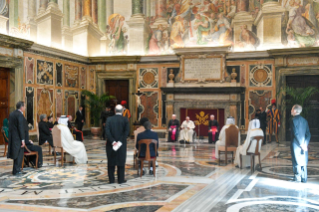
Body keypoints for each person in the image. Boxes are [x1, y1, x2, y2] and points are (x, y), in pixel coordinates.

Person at [105, 104, 130, 184]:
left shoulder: (109, 119)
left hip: (110, 144)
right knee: (121, 162)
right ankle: (121, 179)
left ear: (115, 111)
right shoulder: (125, 120)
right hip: (121, 145)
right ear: (122, 111)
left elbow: (107, 132)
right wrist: (120, 142)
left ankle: (111, 180)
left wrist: (113, 142)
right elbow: (126, 132)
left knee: (111, 162)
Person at [290, 104, 311, 182]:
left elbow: (295, 133)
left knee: (296, 160)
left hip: (296, 144)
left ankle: (297, 177)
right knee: (303, 160)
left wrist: (301, 144)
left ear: (295, 111)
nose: (291, 111)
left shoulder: (293, 120)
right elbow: (308, 134)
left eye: (292, 109)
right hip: (304, 145)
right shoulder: (304, 120)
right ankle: (303, 177)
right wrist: (305, 143)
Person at [7, 101, 26, 175]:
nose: (24, 108)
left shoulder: (11, 114)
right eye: (24, 106)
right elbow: (20, 127)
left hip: (12, 136)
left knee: (15, 154)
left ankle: (15, 170)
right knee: (19, 154)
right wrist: (22, 139)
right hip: (18, 137)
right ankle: (17, 170)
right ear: (21, 107)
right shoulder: (20, 115)